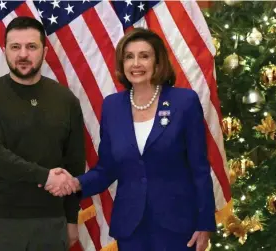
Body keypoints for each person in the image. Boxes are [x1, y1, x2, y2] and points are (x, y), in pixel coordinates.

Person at [45, 28, 216, 251]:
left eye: (144, 56)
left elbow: (199, 168)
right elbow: (107, 169)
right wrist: (75, 183)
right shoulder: (112, 106)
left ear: (157, 62)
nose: (136, 63)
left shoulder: (184, 102)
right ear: (122, 64)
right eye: (129, 57)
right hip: (131, 228)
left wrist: (205, 224)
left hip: (178, 227)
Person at [0, 16, 85, 251]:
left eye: (31, 47)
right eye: (15, 47)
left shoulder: (65, 100)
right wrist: (45, 177)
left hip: (51, 223)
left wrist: (71, 218)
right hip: (0, 224)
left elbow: (74, 162)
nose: (23, 54)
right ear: (5, 50)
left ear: (44, 50)